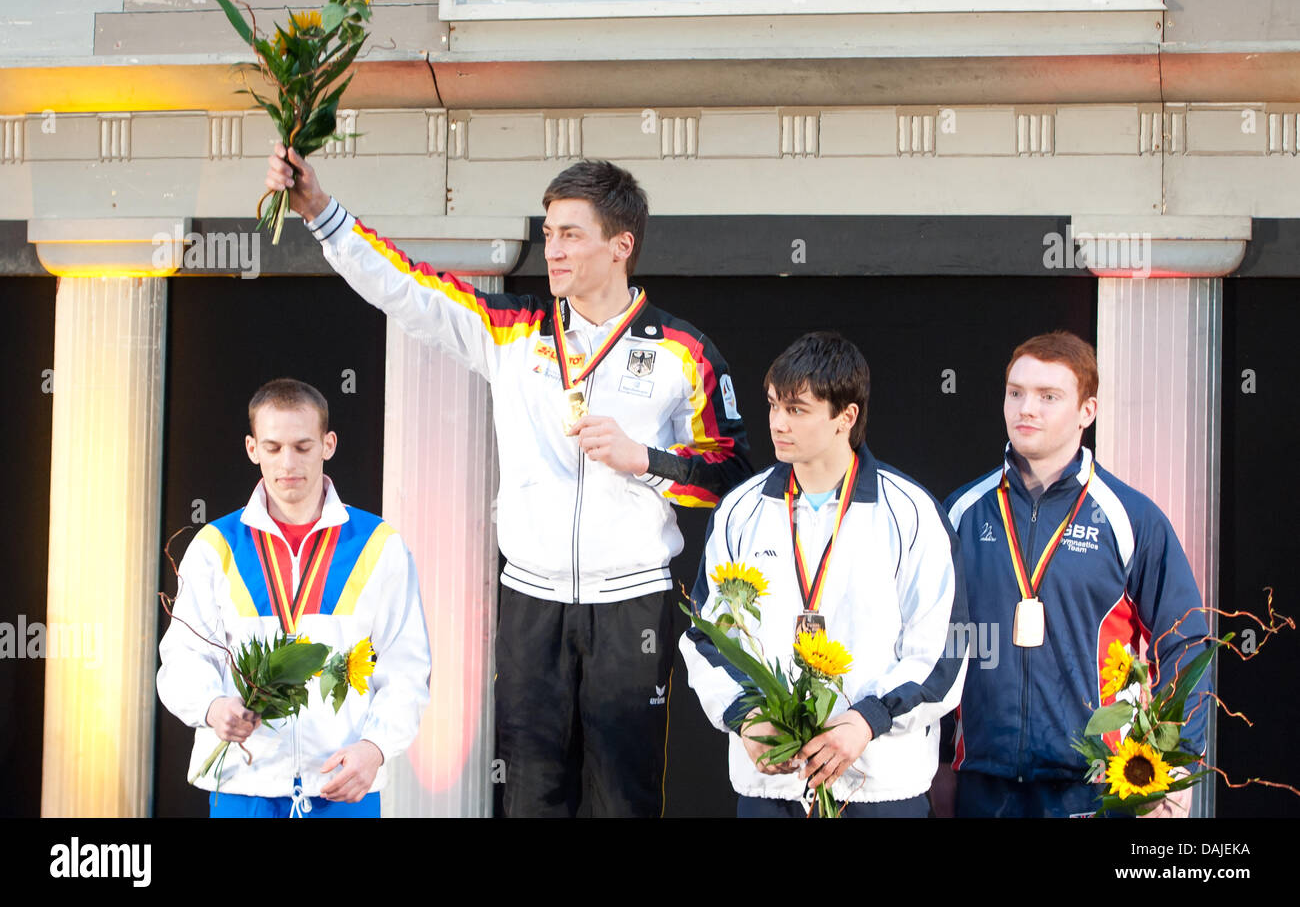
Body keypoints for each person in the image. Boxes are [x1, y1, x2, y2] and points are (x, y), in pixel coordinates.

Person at [264, 151, 751, 817]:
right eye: (548, 233)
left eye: (571, 234)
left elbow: (733, 472)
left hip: (633, 602)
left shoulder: (680, 351)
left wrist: (650, 460)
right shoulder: (512, 330)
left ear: (621, 245)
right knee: (529, 798)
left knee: (627, 800)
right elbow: (406, 288)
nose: (552, 249)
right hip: (531, 601)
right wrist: (322, 213)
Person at [680, 332, 967, 817]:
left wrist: (866, 722)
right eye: (773, 405)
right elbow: (705, 638)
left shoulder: (912, 513)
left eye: (797, 409)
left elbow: (943, 651)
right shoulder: (740, 511)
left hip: (878, 785)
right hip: (771, 784)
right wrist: (746, 716)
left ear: (846, 417)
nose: (777, 423)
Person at [939, 331, 1210, 817]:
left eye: (1049, 397)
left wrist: (1175, 762)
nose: (1027, 409)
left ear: (1087, 411)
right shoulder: (962, 512)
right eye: (1016, 392)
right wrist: (934, 763)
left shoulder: (1129, 517)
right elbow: (930, 644)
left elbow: (1185, 640)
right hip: (982, 783)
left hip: (1095, 785)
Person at [157, 379, 431, 817]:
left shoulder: (379, 545)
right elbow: (182, 659)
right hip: (242, 785)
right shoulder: (215, 546)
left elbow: (407, 669)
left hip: (343, 783)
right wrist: (212, 707)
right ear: (252, 449)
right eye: (273, 447)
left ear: (329, 444)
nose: (288, 463)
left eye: (303, 447)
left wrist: (375, 749)